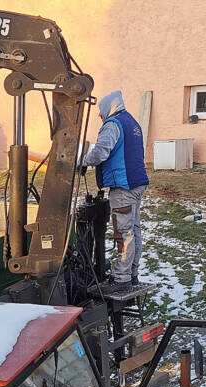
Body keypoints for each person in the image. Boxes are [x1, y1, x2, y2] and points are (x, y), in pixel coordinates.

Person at [80, 90, 150, 289]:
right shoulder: (133, 123)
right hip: (138, 184)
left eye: (101, 111)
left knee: (124, 233)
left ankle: (121, 279)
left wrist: (83, 162)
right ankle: (132, 274)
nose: (99, 116)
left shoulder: (113, 124)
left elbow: (101, 152)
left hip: (124, 187)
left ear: (108, 108)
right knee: (134, 231)